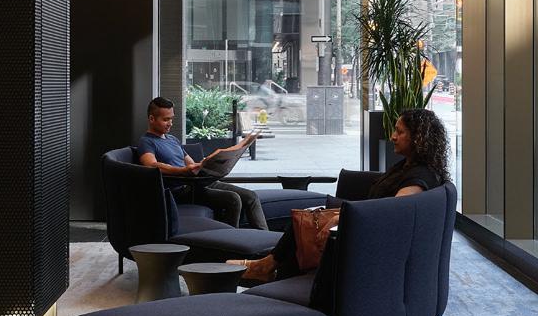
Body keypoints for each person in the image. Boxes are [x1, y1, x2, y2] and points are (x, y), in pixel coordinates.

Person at [239, 107, 450, 282]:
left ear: (418, 138)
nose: (393, 137)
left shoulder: (420, 176)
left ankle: (267, 269)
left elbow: (395, 210)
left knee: (304, 226)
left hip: (373, 239)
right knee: (303, 220)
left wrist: (343, 217)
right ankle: (272, 272)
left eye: (400, 132)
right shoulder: (407, 165)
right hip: (367, 227)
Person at [135, 95, 268, 230]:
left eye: (171, 119)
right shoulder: (146, 142)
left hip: (197, 183)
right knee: (233, 199)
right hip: (183, 191)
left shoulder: (172, 139)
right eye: (165, 119)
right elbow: (151, 165)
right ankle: (230, 239)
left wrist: (206, 165)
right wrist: (182, 171)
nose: (170, 123)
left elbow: (191, 163)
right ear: (152, 119)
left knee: (251, 196)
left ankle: (267, 238)